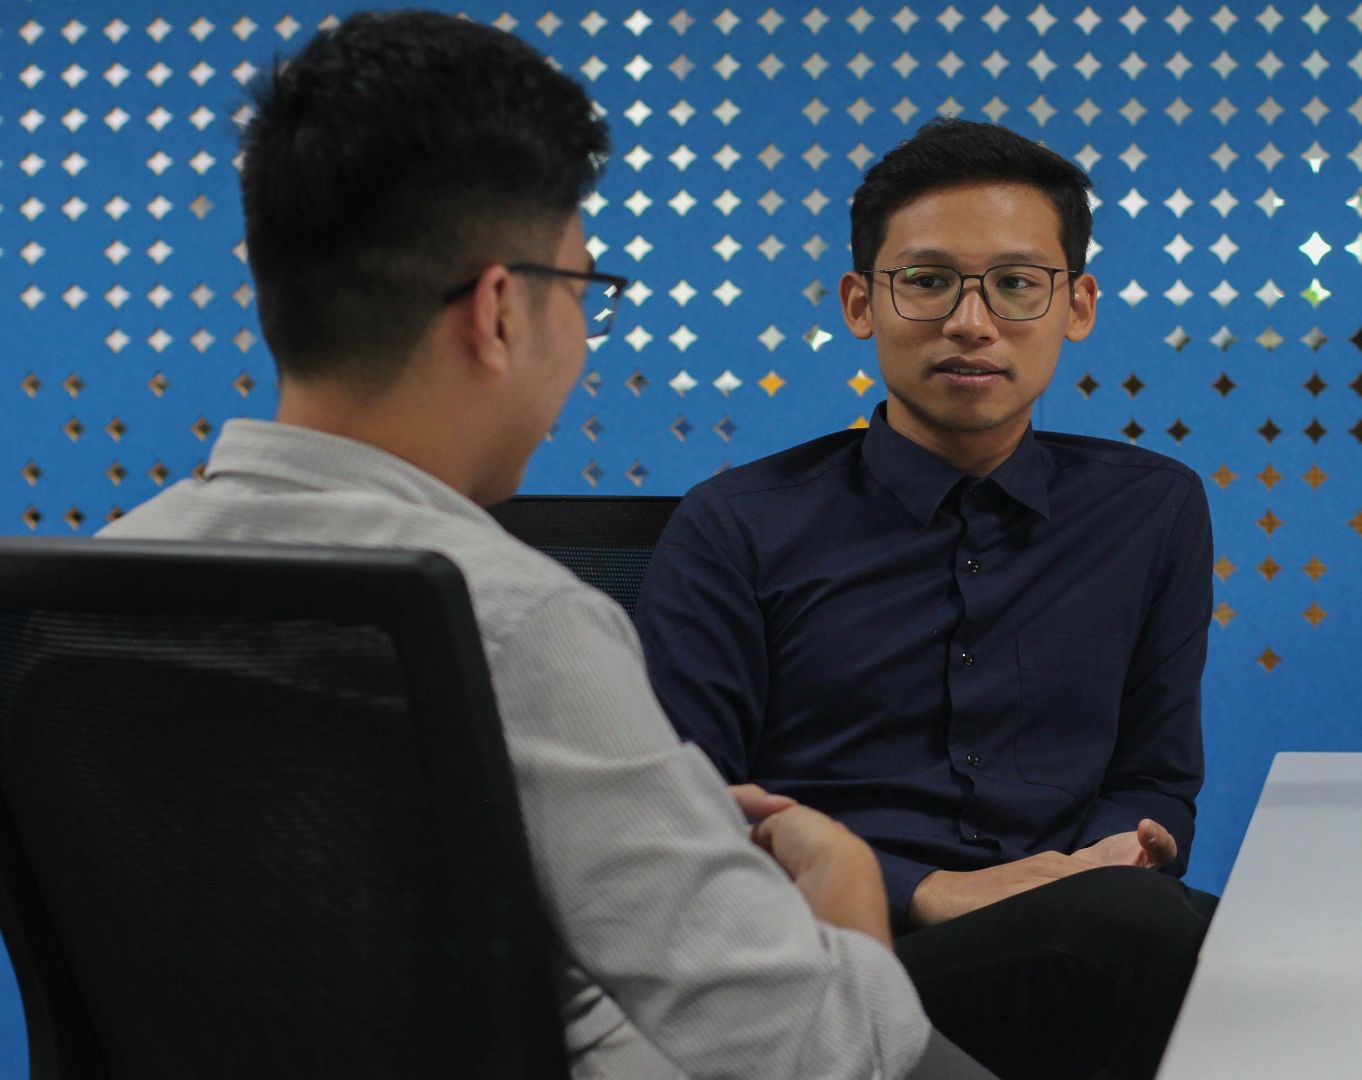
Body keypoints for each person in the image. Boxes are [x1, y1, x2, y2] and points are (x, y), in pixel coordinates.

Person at [98, 12, 993, 1079]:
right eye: (582, 291)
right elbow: (819, 1053)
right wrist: (844, 893)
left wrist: (640, 826)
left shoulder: (96, 586)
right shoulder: (509, 620)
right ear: (498, 312)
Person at [638, 119, 1215, 1080]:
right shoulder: (737, 524)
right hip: (833, 961)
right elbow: (686, 818)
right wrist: (928, 889)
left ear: (1077, 306)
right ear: (861, 302)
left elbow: (1155, 775)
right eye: (928, 279)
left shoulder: (1152, 509)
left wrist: (1106, 860)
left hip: (1093, 923)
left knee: (1279, 952)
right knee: (1151, 941)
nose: (971, 323)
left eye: (1017, 283)